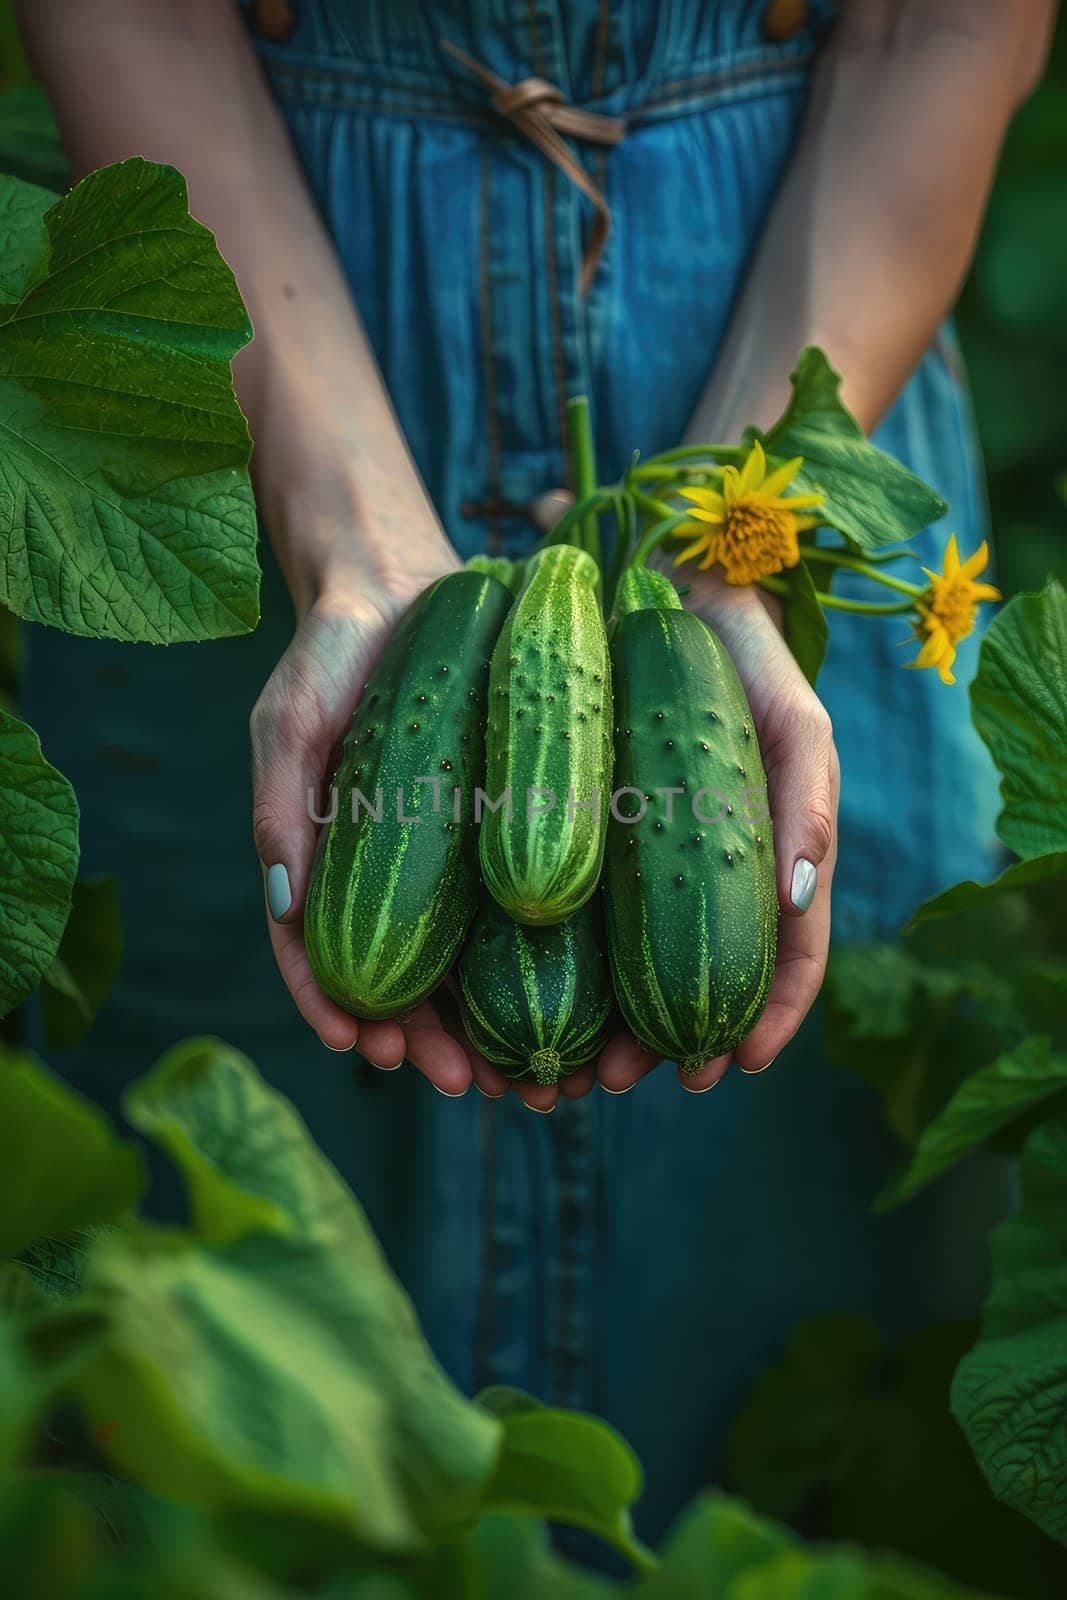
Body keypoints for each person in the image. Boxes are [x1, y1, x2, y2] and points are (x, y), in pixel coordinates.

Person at [19, 0, 1054, 1540]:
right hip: (259, 319)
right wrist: (354, 543)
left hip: (805, 299)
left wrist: (736, 562)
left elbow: (941, 25)